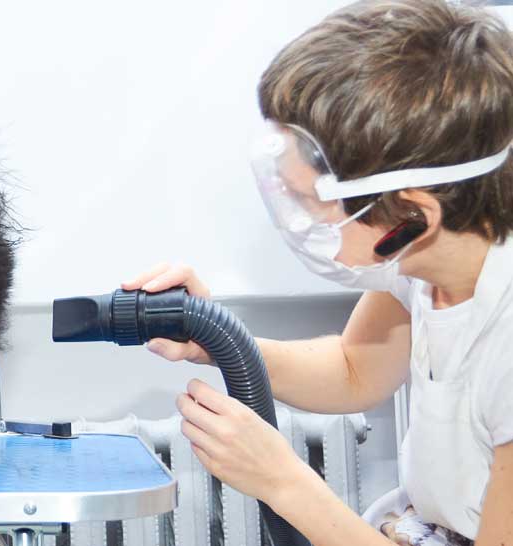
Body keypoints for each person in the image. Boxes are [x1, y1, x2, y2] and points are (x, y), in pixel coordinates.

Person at [124, 2, 513, 545]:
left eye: (311, 202)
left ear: (411, 215)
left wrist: (282, 482)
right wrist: (213, 340)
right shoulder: (427, 263)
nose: (298, 220)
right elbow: (356, 369)